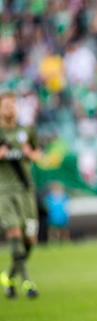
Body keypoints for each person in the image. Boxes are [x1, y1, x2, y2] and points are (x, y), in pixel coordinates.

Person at [0, 92, 41, 299]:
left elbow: (37, 154)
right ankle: (27, 281)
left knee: (30, 239)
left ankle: (8, 275)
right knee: (14, 232)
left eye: (12, 105)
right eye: (5, 105)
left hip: (26, 190)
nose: (9, 109)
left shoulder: (26, 130)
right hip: (4, 191)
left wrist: (30, 154)